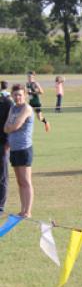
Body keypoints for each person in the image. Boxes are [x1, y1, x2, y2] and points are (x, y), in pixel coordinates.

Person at [3, 84, 34, 218]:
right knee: (19, 181)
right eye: (15, 94)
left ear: (25, 95)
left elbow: (15, 125)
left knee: (26, 181)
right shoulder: (13, 108)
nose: (18, 97)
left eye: (20, 94)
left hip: (24, 148)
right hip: (14, 149)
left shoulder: (26, 108)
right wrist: (9, 127)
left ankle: (28, 211)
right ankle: (23, 210)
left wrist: (10, 127)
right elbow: (6, 128)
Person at [0, 81, 13, 215]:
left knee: (2, 176)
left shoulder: (7, 103)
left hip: (2, 144)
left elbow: (11, 124)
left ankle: (0, 206)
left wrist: (8, 144)